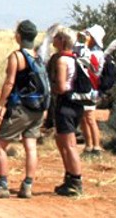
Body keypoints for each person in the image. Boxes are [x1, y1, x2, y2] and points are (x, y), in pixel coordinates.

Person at [0, 20, 45, 199]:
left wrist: (1, 103)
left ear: (19, 36)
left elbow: (10, 82)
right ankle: (27, 185)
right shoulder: (38, 57)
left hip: (21, 109)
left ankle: (2, 184)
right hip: (37, 109)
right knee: (30, 146)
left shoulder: (17, 57)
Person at [51, 26, 84, 196]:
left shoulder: (62, 61)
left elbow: (62, 86)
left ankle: (75, 181)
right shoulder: (75, 59)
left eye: (57, 37)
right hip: (76, 104)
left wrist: (53, 88)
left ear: (63, 41)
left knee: (70, 144)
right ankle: (71, 178)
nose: (53, 39)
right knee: (64, 141)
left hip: (66, 104)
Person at [77, 24, 106, 157]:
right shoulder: (91, 51)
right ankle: (89, 146)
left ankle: (96, 146)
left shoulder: (96, 54)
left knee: (89, 117)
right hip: (86, 87)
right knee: (84, 117)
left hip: (91, 88)